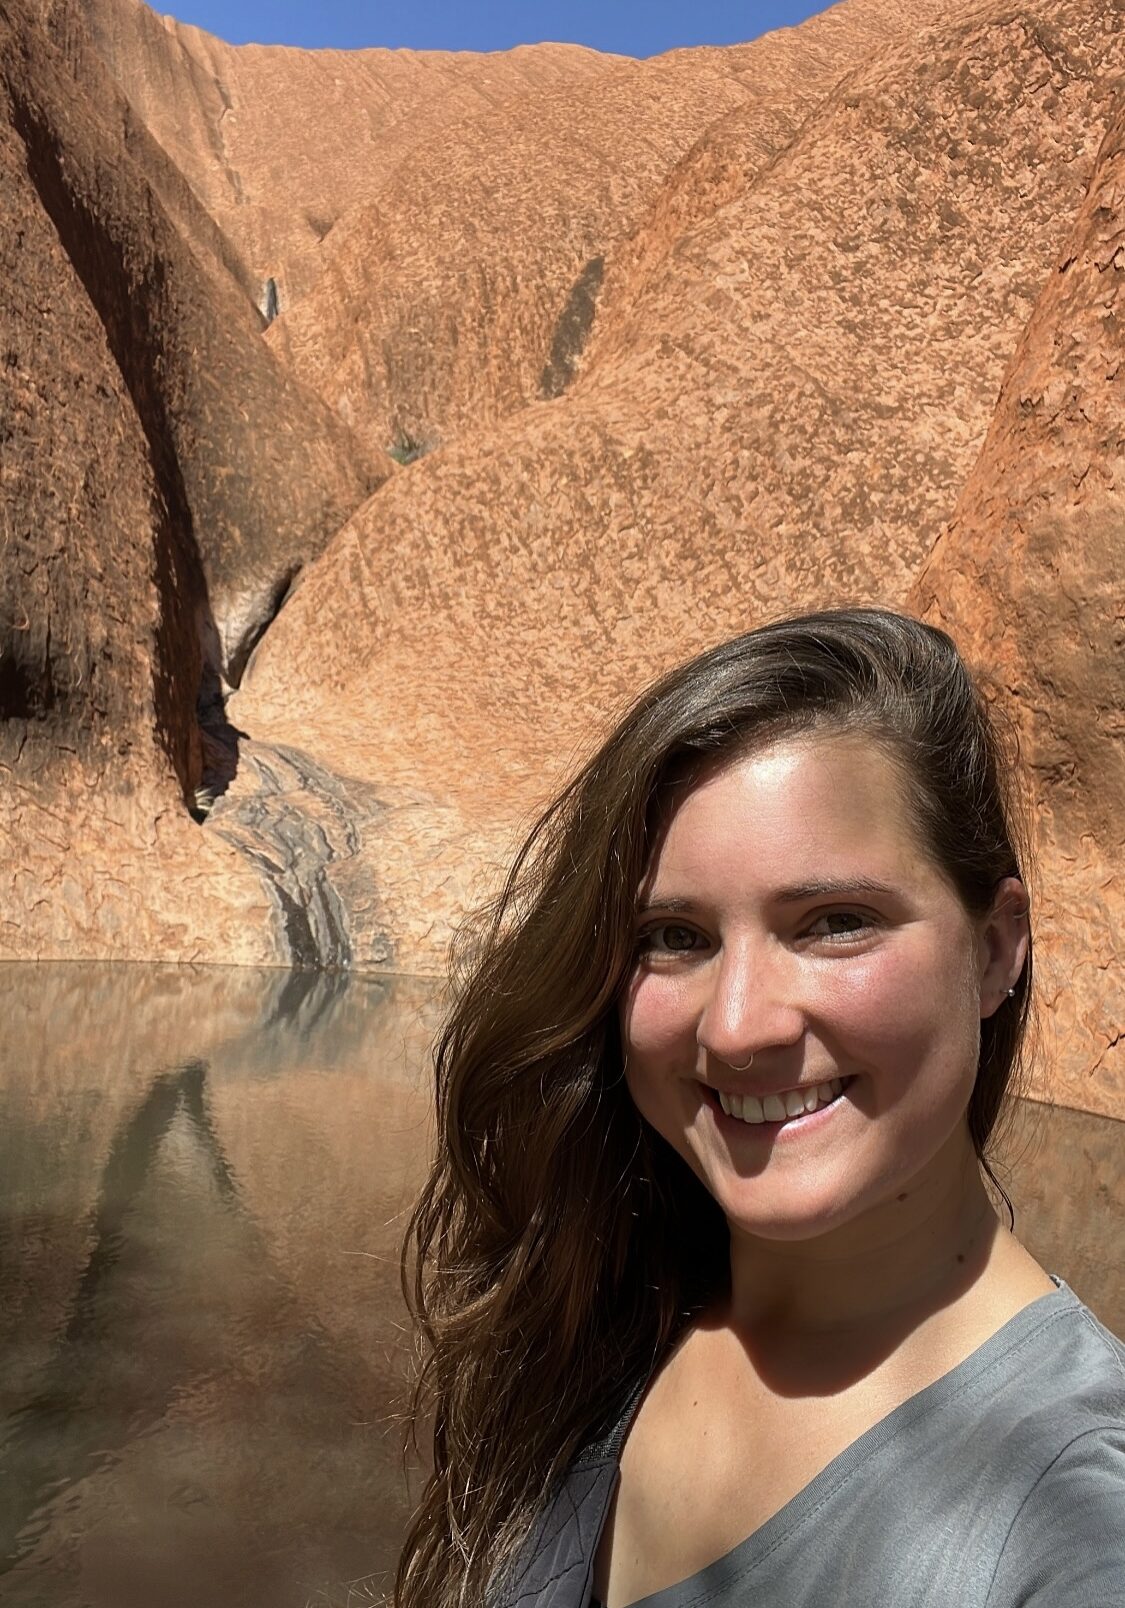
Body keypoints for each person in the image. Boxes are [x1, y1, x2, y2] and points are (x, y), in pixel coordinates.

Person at [395, 607, 1125, 1608]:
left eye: (834, 923)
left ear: (995, 949)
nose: (737, 1028)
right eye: (673, 936)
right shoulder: (606, 1310)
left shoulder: (1079, 1521)